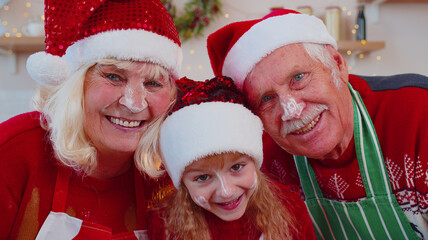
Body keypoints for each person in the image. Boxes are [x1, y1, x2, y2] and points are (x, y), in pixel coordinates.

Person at [206, 8, 428, 239]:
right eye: (267, 99)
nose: (291, 111)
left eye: (298, 78)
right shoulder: (263, 163)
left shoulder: (419, 112)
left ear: (337, 64)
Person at [0, 0, 182, 239]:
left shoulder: (172, 173)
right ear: (75, 84)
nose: (134, 103)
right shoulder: (12, 151)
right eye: (114, 76)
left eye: (153, 83)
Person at [145, 76, 316, 240]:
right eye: (202, 177)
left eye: (236, 167)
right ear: (182, 182)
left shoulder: (291, 210)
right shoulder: (165, 225)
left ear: (254, 162)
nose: (226, 191)